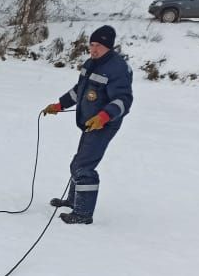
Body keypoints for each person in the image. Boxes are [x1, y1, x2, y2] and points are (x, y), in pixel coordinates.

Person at [42, 24, 133, 225]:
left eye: (98, 45)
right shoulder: (91, 63)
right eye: (91, 44)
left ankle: (83, 214)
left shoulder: (117, 68)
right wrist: (59, 105)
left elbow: (123, 101)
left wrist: (104, 117)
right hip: (89, 122)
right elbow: (79, 91)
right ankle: (74, 201)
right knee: (78, 162)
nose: (93, 49)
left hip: (105, 124)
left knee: (84, 165)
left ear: (108, 46)